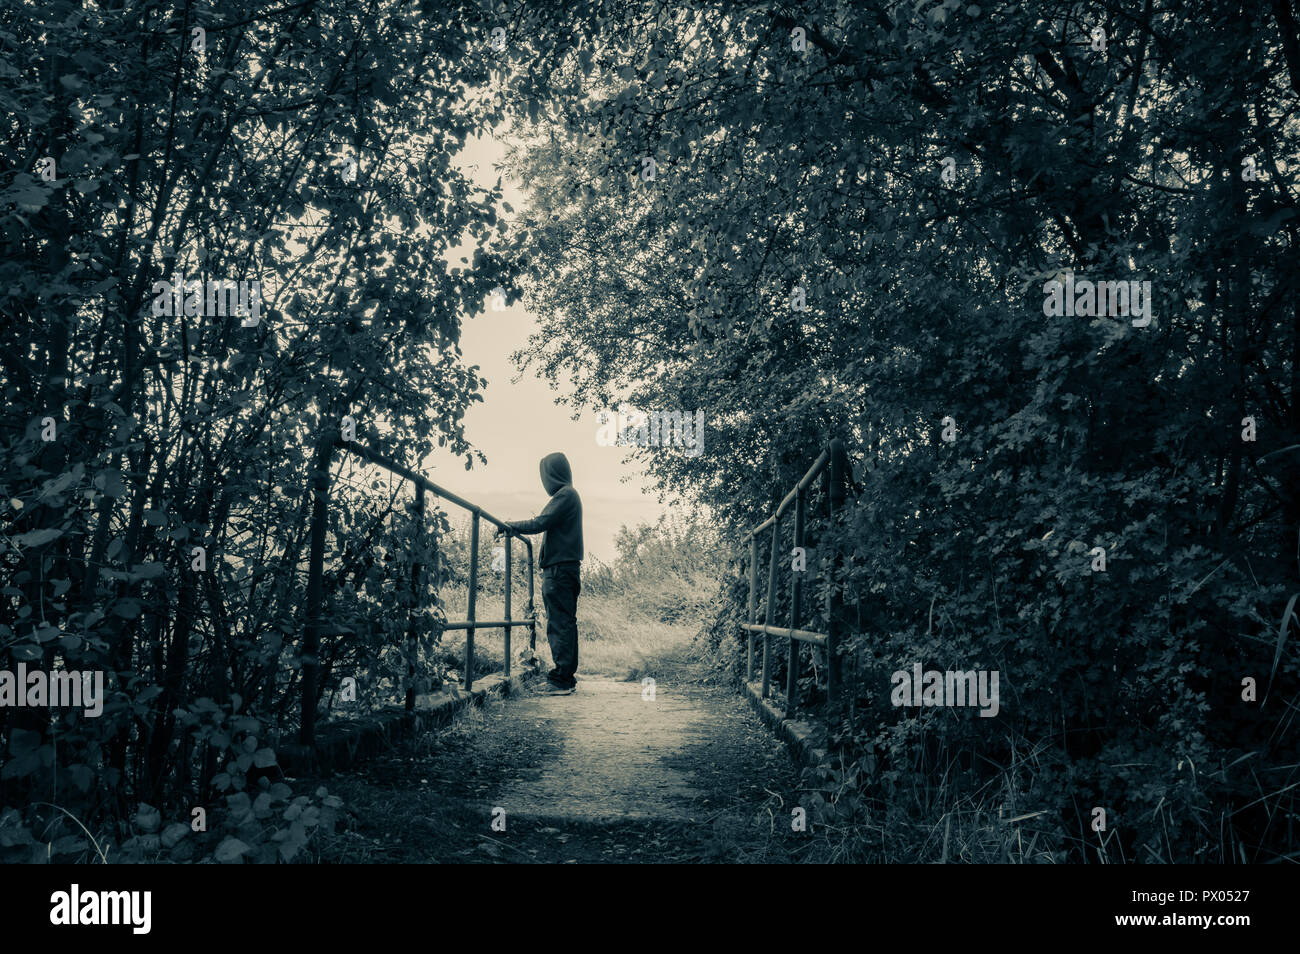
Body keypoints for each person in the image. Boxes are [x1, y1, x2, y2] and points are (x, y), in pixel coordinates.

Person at [502, 452, 583, 694]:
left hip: (559, 570)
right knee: (564, 623)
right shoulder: (569, 495)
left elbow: (540, 523)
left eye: (544, 476)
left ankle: (560, 680)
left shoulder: (565, 494)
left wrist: (510, 525)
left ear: (552, 474)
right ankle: (565, 678)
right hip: (564, 568)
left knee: (559, 624)